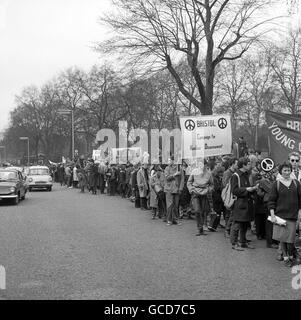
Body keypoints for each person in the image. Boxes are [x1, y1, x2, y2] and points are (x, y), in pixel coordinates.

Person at [268, 162, 301, 267]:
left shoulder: (296, 183)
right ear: (281, 172)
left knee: (290, 239)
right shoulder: (276, 184)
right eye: (285, 170)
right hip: (280, 216)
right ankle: (286, 258)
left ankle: (291, 256)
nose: (287, 172)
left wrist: (300, 212)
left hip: (293, 215)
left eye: (288, 170)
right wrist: (272, 215)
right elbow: (271, 201)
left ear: (291, 171)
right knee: (282, 238)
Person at [230, 157, 258, 251]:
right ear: (243, 165)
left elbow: (247, 187)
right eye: (249, 163)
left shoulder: (246, 174)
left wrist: (253, 188)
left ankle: (243, 242)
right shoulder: (235, 175)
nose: (250, 165)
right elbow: (234, 190)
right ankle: (234, 243)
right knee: (237, 223)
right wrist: (246, 189)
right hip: (240, 203)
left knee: (245, 223)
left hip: (247, 202)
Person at [187, 159, 213, 235]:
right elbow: (189, 182)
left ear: (205, 165)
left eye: (202, 164)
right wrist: (191, 189)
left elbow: (211, 184)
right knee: (197, 210)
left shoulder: (208, 173)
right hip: (195, 193)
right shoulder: (194, 172)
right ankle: (200, 228)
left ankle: (201, 228)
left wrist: (208, 190)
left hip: (204, 193)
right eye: (199, 164)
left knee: (203, 211)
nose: (200, 166)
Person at [164, 156, 183, 226]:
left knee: (176, 205)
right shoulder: (167, 168)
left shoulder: (179, 168)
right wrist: (175, 174)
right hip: (169, 189)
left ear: (173, 161)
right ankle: (169, 220)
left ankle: (175, 219)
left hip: (177, 189)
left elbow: (182, 179)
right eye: (168, 160)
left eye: (169, 160)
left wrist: (181, 188)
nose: (168, 162)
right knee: (169, 205)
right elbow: (167, 178)